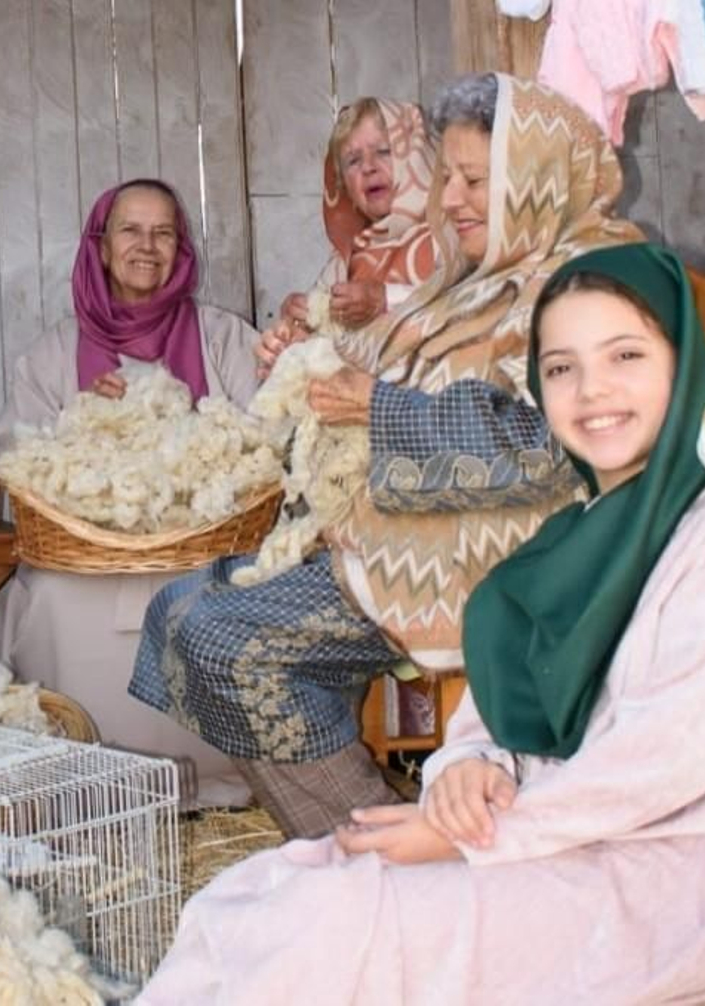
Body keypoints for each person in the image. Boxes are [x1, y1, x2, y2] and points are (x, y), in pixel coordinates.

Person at [136, 242, 705, 1006]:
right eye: (560, 367)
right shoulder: (584, 526)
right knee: (256, 896)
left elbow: (664, 761)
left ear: (683, 362)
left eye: (625, 354)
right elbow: (508, 688)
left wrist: (474, 835)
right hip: (563, 829)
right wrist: (467, 764)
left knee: (341, 923)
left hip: (670, 876)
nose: (592, 391)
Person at [130, 73, 643, 838]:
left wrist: (376, 406)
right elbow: (389, 358)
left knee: (224, 642)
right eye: (445, 177)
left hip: (507, 558)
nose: (453, 199)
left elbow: (549, 449)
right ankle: (366, 832)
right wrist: (308, 357)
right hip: (408, 529)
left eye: (475, 180)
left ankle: (379, 848)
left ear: (533, 178)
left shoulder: (586, 287)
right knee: (178, 610)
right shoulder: (476, 280)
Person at [0, 178, 261, 806]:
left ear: (182, 249)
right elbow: (20, 460)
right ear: (103, 247)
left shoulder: (222, 339)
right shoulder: (52, 355)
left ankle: (214, 784)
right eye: (131, 231)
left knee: (232, 594)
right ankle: (88, 789)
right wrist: (80, 423)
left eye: (163, 232)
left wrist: (188, 436)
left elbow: (265, 443)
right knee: (54, 597)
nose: (148, 246)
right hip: (85, 556)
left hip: (200, 550)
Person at [258, 96, 438, 378]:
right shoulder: (347, 259)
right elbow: (321, 336)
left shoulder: (453, 234)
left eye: (383, 151)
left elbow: (465, 307)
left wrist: (385, 299)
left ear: (415, 157)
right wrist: (296, 329)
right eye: (353, 161)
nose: (368, 167)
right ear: (345, 188)